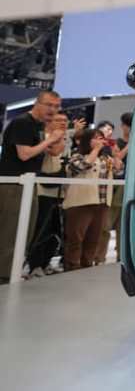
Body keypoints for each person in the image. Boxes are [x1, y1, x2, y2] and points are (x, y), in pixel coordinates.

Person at [0, 90, 63, 283]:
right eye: (49, 105)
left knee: (24, 231)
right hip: (14, 185)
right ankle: (4, 276)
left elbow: (54, 152)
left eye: (56, 106)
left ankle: (10, 272)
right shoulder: (23, 123)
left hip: (28, 184)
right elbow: (24, 154)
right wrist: (50, 139)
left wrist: (56, 136)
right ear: (37, 103)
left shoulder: (39, 126)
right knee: (11, 232)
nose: (53, 110)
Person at [62, 128, 124, 271]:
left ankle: (87, 266)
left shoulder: (105, 159)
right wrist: (96, 150)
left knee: (94, 238)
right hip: (80, 203)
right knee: (76, 238)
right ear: (87, 140)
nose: (99, 141)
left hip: (102, 203)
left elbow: (119, 170)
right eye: (95, 138)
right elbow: (82, 166)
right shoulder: (76, 156)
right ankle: (72, 266)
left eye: (101, 138)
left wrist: (116, 156)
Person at [26, 112, 68, 277]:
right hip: (43, 191)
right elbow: (54, 151)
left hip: (60, 192)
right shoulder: (44, 137)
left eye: (65, 120)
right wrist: (57, 138)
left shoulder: (65, 139)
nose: (63, 123)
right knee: (40, 229)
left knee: (55, 230)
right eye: (58, 120)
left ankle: (45, 263)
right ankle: (34, 265)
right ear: (49, 121)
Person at [95, 113, 132, 263]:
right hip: (115, 186)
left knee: (123, 226)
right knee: (106, 224)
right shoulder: (116, 143)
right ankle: (99, 257)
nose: (130, 129)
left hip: (131, 187)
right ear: (123, 126)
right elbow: (117, 159)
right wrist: (129, 146)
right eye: (128, 125)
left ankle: (121, 256)